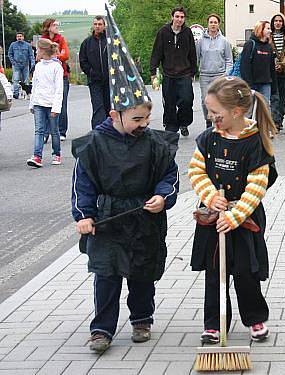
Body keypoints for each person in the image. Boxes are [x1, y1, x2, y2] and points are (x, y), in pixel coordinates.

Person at [71, 6, 179, 353]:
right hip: (109, 217)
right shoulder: (94, 145)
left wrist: (163, 196)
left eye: (147, 117)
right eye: (137, 118)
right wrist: (84, 215)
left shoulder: (154, 143)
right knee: (106, 276)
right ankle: (102, 328)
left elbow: (169, 176)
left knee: (142, 272)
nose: (144, 124)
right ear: (115, 114)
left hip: (144, 217)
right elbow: (83, 184)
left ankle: (141, 318)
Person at [188, 76, 278, 344]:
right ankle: (214, 324)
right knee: (215, 275)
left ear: (237, 112)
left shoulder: (256, 143)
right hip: (213, 219)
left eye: (215, 112)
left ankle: (255, 318)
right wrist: (210, 196)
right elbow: (195, 170)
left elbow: (258, 186)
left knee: (245, 273)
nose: (210, 116)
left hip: (244, 219)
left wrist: (235, 216)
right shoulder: (208, 139)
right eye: (208, 110)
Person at [150, 6, 197, 137]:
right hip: (168, 74)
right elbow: (156, 53)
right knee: (169, 102)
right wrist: (153, 72)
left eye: (182, 17)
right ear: (172, 17)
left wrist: (193, 71)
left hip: (185, 73)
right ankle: (171, 126)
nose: (179, 19)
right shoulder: (163, 32)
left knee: (187, 100)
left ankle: (184, 123)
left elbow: (192, 53)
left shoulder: (187, 32)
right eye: (177, 16)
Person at [27, 39, 64, 168]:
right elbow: (35, 86)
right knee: (39, 131)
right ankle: (37, 156)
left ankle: (56, 153)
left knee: (54, 131)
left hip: (51, 104)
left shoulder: (56, 67)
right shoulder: (38, 66)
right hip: (39, 103)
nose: (36, 51)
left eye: (38, 49)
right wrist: (32, 104)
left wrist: (56, 107)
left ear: (43, 50)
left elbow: (59, 89)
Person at [196, 13, 233, 128]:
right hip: (205, 75)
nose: (213, 24)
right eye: (211, 22)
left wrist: (226, 74)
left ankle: (219, 122)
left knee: (219, 101)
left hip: (220, 75)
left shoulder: (224, 41)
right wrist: (193, 72)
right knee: (205, 101)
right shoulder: (200, 41)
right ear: (207, 24)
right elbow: (196, 58)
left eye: (215, 22)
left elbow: (229, 60)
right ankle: (208, 121)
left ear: (218, 24)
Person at [79, 15, 111, 128]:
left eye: (100, 24)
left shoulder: (110, 42)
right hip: (94, 81)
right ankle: (97, 134)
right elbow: (83, 61)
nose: (97, 26)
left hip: (109, 82)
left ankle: (110, 133)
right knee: (98, 108)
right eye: (95, 24)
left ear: (104, 26)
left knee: (109, 108)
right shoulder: (87, 43)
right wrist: (92, 73)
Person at [42, 18, 70, 140]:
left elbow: (66, 54)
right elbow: (40, 55)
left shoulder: (61, 39)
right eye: (54, 25)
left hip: (61, 75)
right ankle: (46, 131)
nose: (56, 26)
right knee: (46, 104)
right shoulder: (43, 40)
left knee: (61, 104)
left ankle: (61, 130)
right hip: (47, 76)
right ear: (48, 27)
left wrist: (53, 56)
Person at [240, 21, 276, 105]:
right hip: (252, 84)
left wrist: (274, 88)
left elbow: (271, 68)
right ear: (260, 30)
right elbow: (244, 66)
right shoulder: (250, 44)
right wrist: (248, 85)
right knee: (249, 110)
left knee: (264, 110)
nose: (270, 31)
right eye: (268, 28)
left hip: (265, 84)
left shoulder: (269, 47)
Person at [269, 13, 285, 131]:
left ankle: (280, 119)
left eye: (280, 21)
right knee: (274, 98)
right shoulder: (269, 35)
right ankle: (275, 122)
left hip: (284, 72)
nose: (278, 23)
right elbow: (267, 51)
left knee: (282, 98)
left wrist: (282, 64)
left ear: (283, 23)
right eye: (276, 21)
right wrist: (274, 64)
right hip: (272, 72)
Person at [7, 32, 35, 99]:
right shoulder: (13, 45)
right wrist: (13, 62)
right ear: (16, 37)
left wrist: (32, 63)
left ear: (23, 37)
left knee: (26, 80)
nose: (19, 37)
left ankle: (28, 93)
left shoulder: (28, 45)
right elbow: (10, 54)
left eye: (20, 36)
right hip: (16, 64)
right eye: (18, 36)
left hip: (25, 64)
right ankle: (15, 94)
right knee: (16, 79)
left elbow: (31, 55)